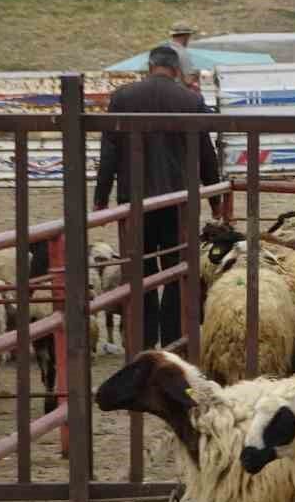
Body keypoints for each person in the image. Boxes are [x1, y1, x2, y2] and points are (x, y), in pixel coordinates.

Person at [94, 45, 222, 350]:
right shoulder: (190, 100)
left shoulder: (123, 98)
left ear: (149, 67)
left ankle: (144, 343)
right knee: (180, 273)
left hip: (135, 202)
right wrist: (215, 199)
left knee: (141, 274)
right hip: (179, 202)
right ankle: (175, 342)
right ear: (176, 70)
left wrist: (101, 197)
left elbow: (109, 151)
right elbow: (206, 152)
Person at [166, 21, 201, 92]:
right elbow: (188, 80)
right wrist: (197, 74)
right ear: (186, 36)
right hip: (178, 93)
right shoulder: (182, 52)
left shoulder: (163, 50)